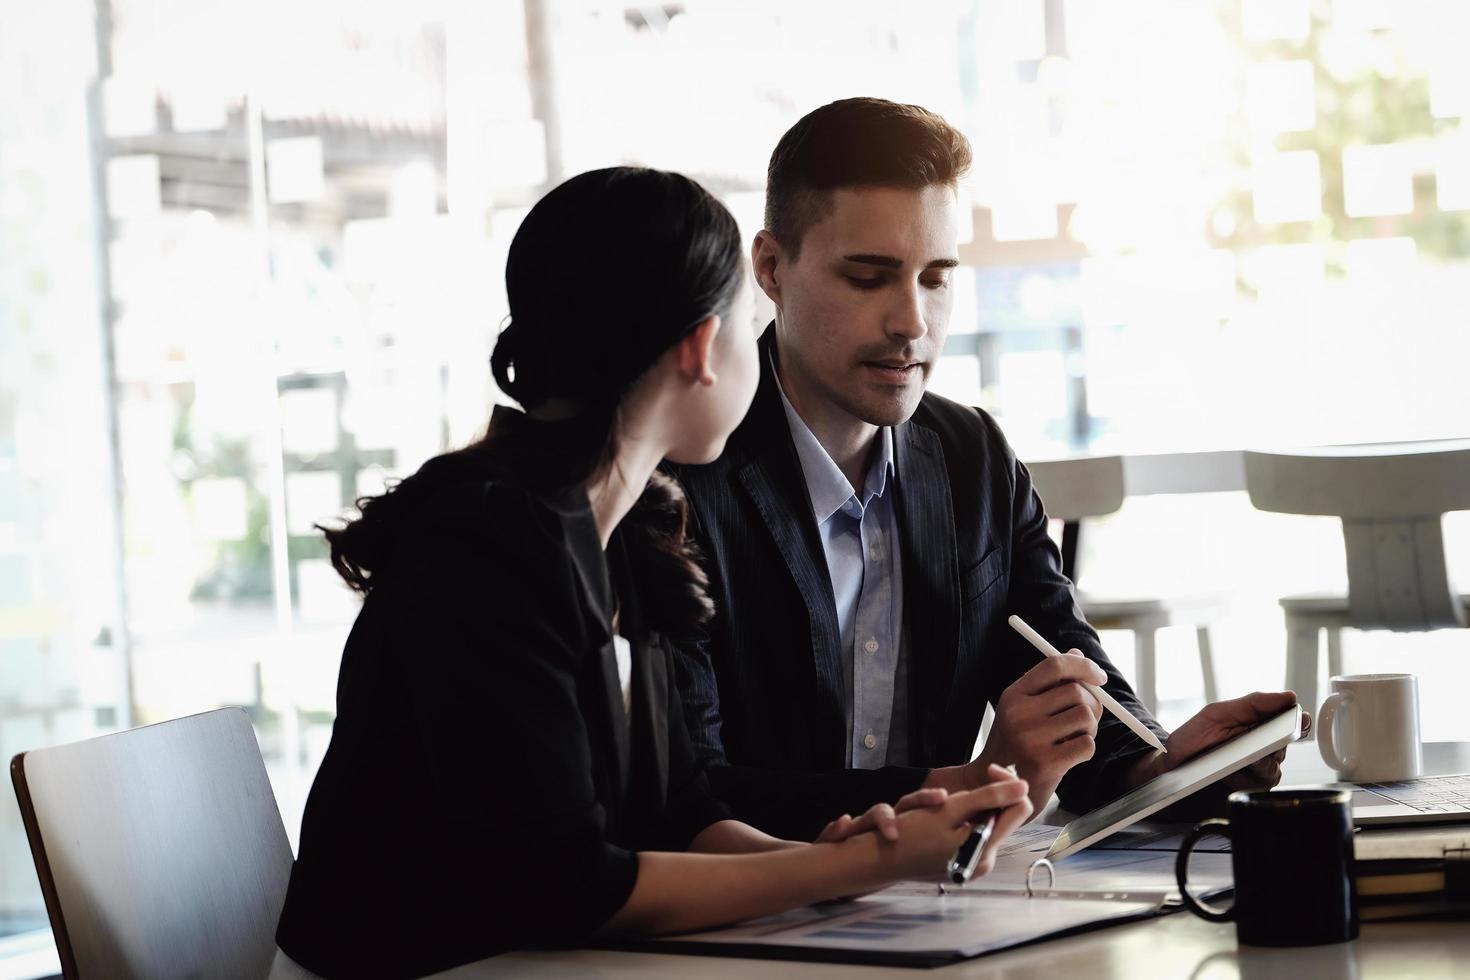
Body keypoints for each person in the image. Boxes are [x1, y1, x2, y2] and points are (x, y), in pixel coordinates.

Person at [272, 166, 1032, 979]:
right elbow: (569, 886)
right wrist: (856, 868)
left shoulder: (626, 527)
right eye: (749, 322)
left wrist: (854, 849)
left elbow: (681, 814)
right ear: (702, 348)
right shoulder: (491, 545)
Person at [666, 98, 1303, 843]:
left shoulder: (972, 459)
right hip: (746, 923)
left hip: (952, 914)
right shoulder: (687, 471)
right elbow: (691, 791)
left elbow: (1069, 680)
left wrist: (1160, 768)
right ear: (771, 268)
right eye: (869, 277)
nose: (911, 321)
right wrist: (967, 785)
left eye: (935, 278)